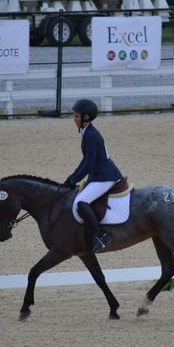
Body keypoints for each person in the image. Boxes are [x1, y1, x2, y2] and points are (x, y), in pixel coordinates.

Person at [64, 98, 124, 254]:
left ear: (86, 117)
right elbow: (86, 161)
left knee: (81, 202)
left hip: (105, 176)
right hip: (99, 174)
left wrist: (73, 179)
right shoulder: (88, 132)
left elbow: (89, 163)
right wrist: (72, 177)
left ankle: (101, 236)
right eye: (75, 116)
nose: (74, 120)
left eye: (77, 116)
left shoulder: (90, 135)